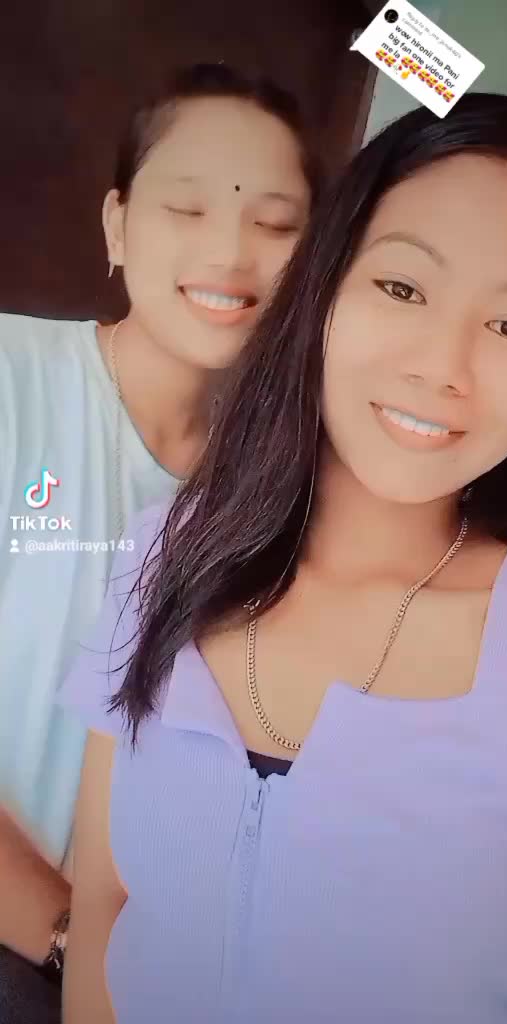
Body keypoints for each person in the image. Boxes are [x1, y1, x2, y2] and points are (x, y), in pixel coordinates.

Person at [59, 92, 507, 1024]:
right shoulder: (164, 551)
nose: (443, 366)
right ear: (325, 283)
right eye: (403, 288)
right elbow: (104, 900)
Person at [0, 61, 320, 1005]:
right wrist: (75, 946)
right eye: (187, 208)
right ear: (117, 224)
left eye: (276, 225)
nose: (230, 251)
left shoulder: (285, 496)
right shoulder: (13, 379)